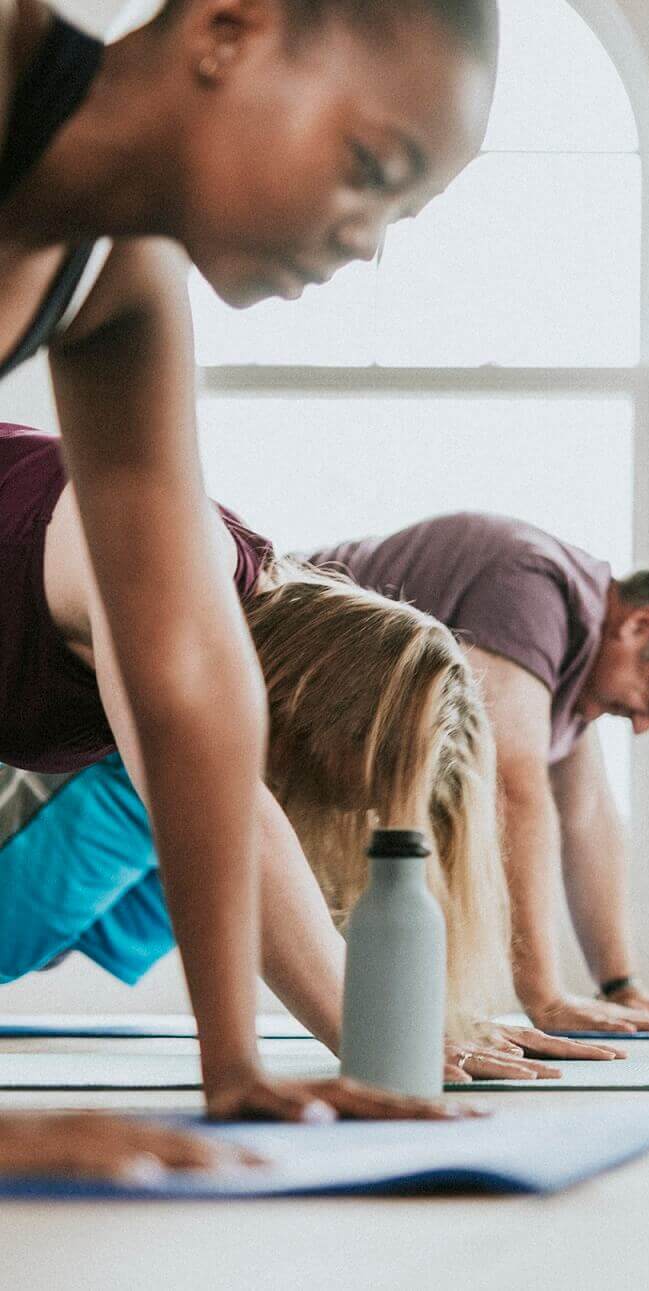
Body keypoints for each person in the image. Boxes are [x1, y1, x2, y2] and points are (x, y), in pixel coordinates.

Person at [0, 0, 498, 1167]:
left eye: (401, 214)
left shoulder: (119, 269)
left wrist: (239, 1067)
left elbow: (181, 665)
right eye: (369, 169)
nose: (363, 240)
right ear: (230, 30)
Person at [0, 422, 617, 1085]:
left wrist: (419, 1017)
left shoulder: (218, 607)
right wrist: (376, 1035)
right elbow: (234, 822)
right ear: (327, 721)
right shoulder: (182, 570)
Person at [306, 513, 649, 1034]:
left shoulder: (578, 674)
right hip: (265, 672)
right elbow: (509, 786)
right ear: (641, 624)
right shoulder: (531, 585)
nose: (643, 725)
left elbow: (588, 821)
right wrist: (546, 1000)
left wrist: (621, 986)